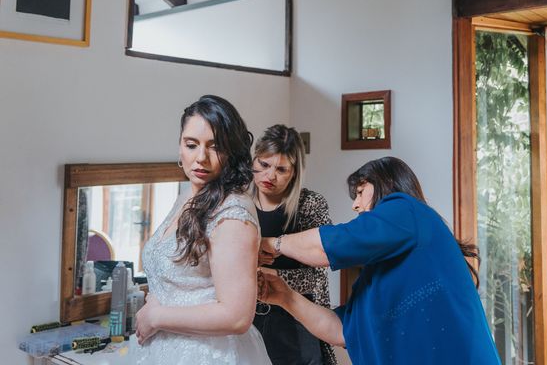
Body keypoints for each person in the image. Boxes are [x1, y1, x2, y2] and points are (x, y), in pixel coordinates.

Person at [259, 156, 501, 365]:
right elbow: (341, 330)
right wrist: (285, 296)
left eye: (361, 192)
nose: (355, 205)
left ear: (387, 183)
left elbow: (330, 246)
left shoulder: (407, 210)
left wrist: (270, 243)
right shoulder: (376, 277)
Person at [135, 95, 271, 365]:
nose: (201, 158)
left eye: (215, 147)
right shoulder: (189, 194)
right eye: (191, 145)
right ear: (179, 148)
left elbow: (237, 316)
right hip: (166, 349)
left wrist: (157, 317)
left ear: (231, 152)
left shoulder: (232, 215)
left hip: (208, 354)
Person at [250, 124, 337, 365]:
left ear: (294, 172)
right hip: (245, 317)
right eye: (264, 165)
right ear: (254, 160)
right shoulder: (237, 201)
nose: (270, 176)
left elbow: (318, 277)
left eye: (281, 169)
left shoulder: (310, 204)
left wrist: (271, 277)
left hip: (295, 319)